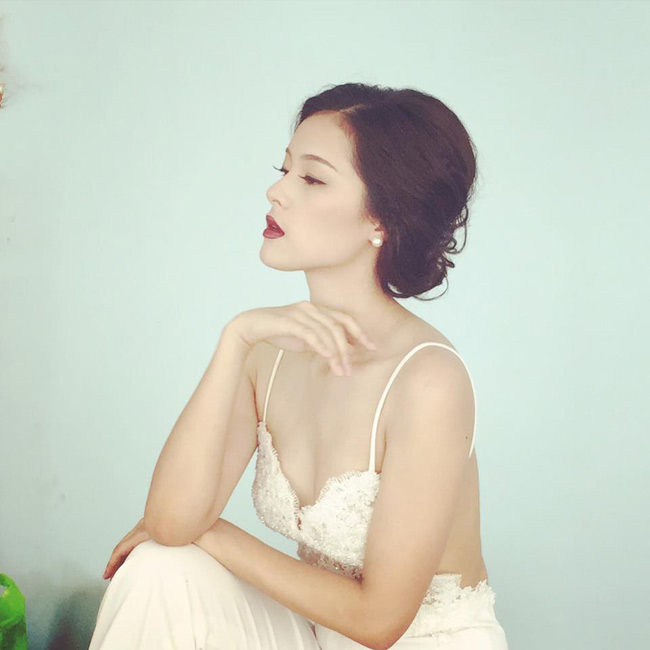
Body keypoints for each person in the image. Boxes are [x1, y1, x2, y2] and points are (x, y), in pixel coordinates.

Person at [89, 82, 509, 649]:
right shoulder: (266, 351)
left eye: (311, 179)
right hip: (317, 633)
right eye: (283, 170)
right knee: (159, 567)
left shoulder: (428, 379)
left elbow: (379, 622)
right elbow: (168, 523)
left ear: (381, 219)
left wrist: (214, 533)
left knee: (182, 550)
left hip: (416, 641)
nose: (275, 191)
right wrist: (235, 339)